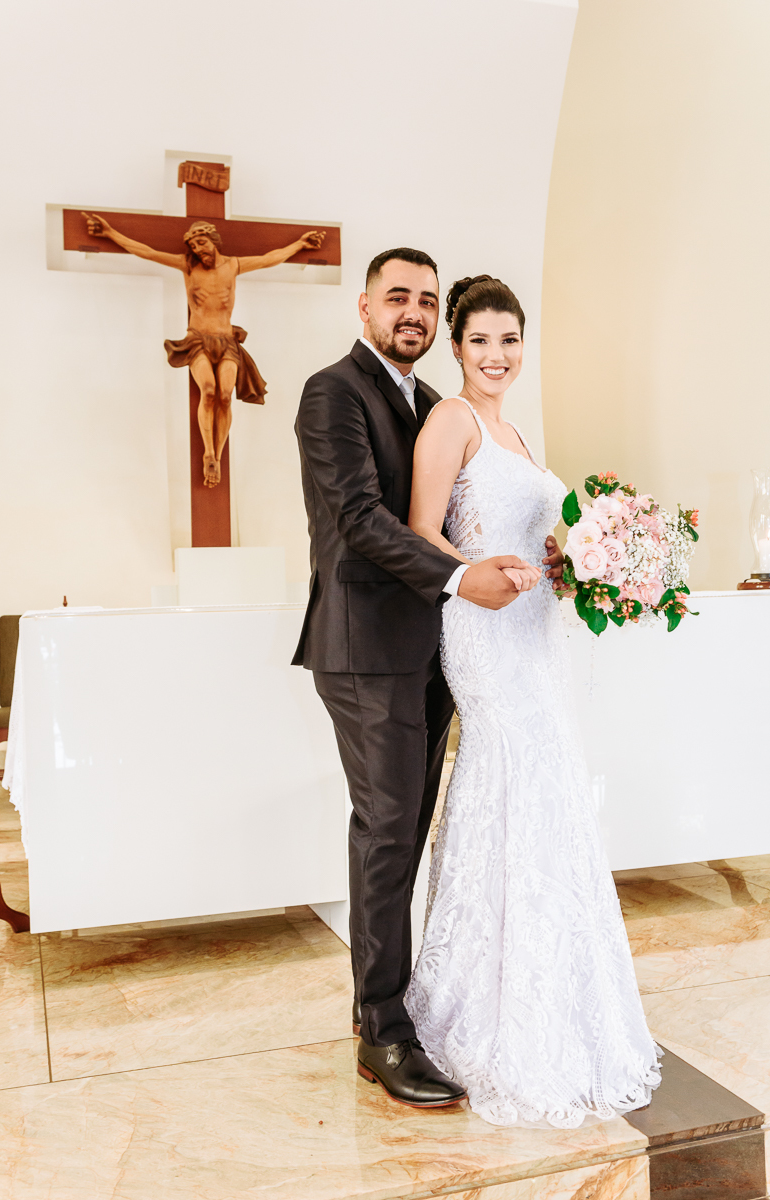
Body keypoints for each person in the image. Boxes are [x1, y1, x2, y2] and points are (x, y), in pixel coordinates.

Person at [293, 249, 563, 1108]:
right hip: (366, 647)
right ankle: (382, 1029)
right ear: (364, 305)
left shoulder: (423, 403)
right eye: (396, 297)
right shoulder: (333, 391)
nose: (411, 310)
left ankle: (410, 1000)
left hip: (438, 650)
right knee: (386, 833)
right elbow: (360, 518)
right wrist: (460, 576)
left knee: (413, 828)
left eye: (425, 299)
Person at [405, 274, 662, 1127]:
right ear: (456, 346)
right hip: (482, 629)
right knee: (507, 772)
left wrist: (572, 561)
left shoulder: (514, 429)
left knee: (550, 788)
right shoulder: (452, 419)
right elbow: (420, 529)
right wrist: (473, 574)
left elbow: (535, 530)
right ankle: (483, 1003)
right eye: (480, 340)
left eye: (509, 340)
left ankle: (555, 989)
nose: (496, 355)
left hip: (536, 630)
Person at [82, 213, 324, 487]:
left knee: (224, 395)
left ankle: (217, 455)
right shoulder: (187, 266)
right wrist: (110, 232)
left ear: (214, 240)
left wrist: (300, 245)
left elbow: (271, 258)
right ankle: (209, 453)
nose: (198, 250)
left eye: (201, 243)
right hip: (198, 339)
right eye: (194, 246)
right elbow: (147, 252)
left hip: (226, 341)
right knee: (208, 390)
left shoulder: (233, 265)